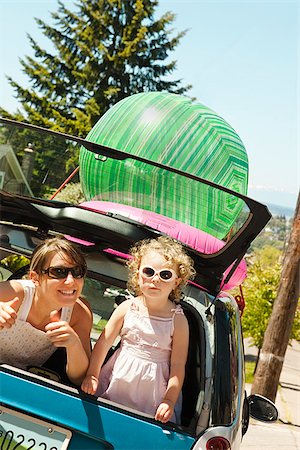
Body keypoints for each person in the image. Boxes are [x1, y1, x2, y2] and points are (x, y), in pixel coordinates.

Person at [81, 236, 195, 423]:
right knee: (106, 419)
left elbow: (177, 366)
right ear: (137, 274)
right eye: (148, 272)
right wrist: (92, 375)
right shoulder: (127, 308)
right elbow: (103, 343)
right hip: (118, 379)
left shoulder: (178, 320)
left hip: (154, 391)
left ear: (177, 281)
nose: (155, 279)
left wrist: (169, 400)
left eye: (165, 274)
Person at [0, 237, 93, 386]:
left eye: (77, 271)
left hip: (20, 387)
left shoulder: (79, 313)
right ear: (35, 278)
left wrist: (73, 345)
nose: (70, 281)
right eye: (58, 271)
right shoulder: (13, 292)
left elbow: (80, 379)